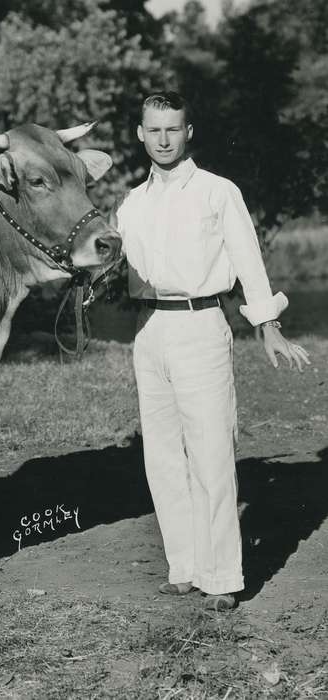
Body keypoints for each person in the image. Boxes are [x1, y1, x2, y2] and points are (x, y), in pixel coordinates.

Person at [115, 91, 310, 611]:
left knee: (211, 454)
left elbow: (248, 258)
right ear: (140, 134)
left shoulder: (218, 192)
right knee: (160, 454)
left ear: (188, 132)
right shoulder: (131, 203)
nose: (162, 139)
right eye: (153, 130)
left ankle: (221, 577)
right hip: (149, 328)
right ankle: (183, 567)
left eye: (172, 129)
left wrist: (267, 325)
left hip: (202, 324)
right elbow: (118, 272)